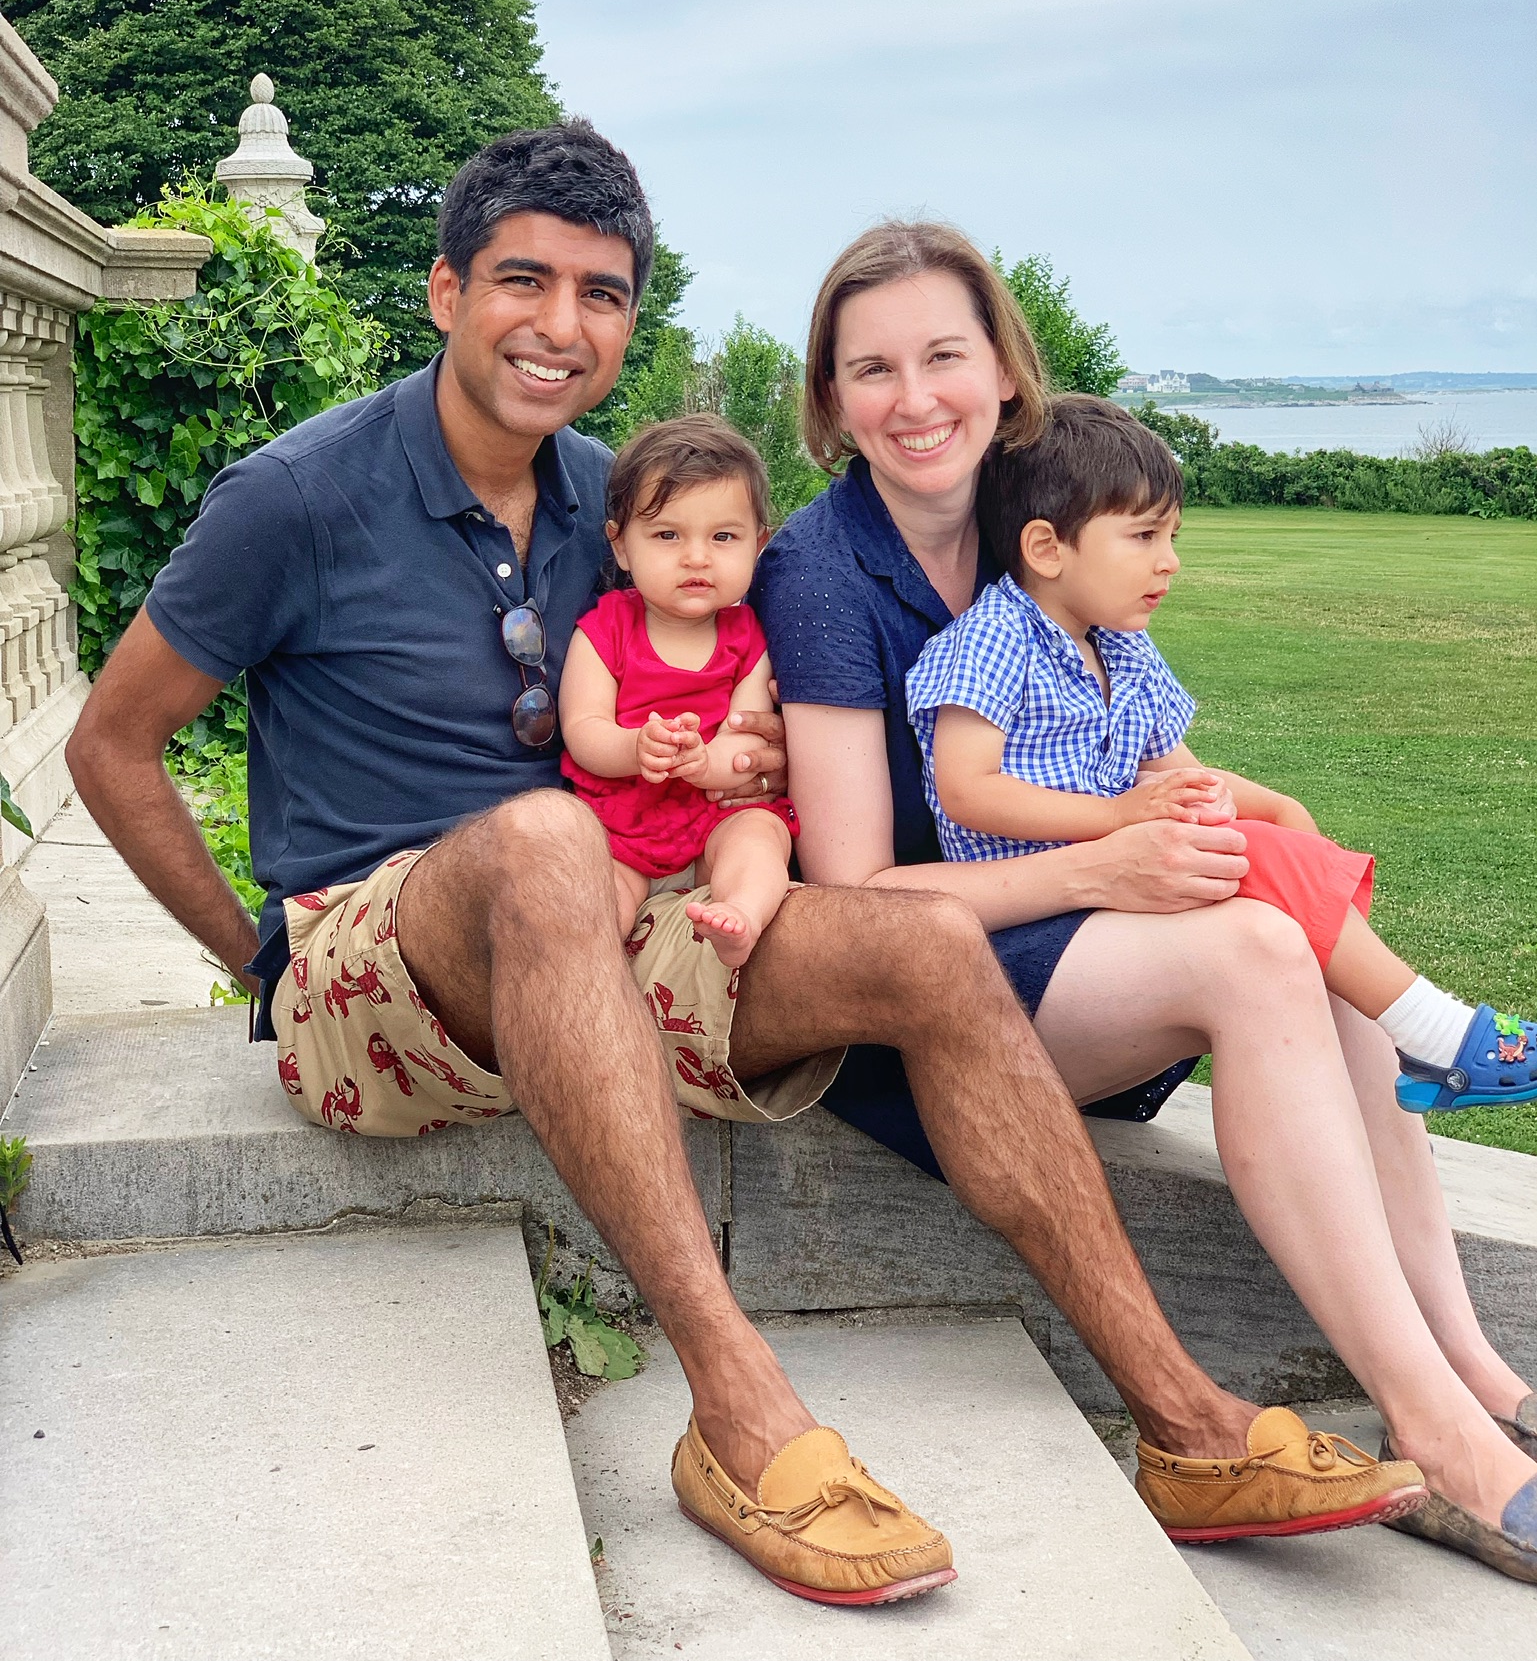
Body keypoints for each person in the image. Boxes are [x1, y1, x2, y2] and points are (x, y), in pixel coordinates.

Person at [67, 127, 1420, 1610]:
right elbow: (113, 747)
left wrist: (749, 759)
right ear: (446, 291)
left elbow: (718, 688)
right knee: (543, 835)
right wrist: (262, 965)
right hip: (384, 965)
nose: (562, 325)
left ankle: (1189, 1422)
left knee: (912, 944)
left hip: (612, 926)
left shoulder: (620, 496)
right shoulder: (298, 496)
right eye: (523, 279)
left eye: (602, 293)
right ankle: (739, 1410)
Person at [753, 217, 1537, 1579]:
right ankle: (1443, 1441)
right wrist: (1103, 863)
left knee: (1300, 914)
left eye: (944, 353)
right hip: (938, 1008)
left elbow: (1125, 749)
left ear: (1003, 366)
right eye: (870, 369)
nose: (913, 396)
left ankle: (1478, 1371)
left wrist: (1238, 804)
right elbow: (853, 893)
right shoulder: (823, 573)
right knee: (1250, 950)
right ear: (830, 401)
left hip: (1082, 955)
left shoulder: (1038, 519)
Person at [909, 393, 1537, 1120]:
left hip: (1120, 889)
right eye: (1142, 536)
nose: (1168, 562)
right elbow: (965, 789)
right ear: (1046, 547)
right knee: (1260, 861)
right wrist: (1116, 814)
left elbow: (1179, 769)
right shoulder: (994, 638)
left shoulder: (1118, 643)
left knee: (1268, 834)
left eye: (1171, 536)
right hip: (1033, 920)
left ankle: (1415, 1033)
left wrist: (1261, 804)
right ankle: (1436, 1031)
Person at [559, 415, 797, 971]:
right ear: (620, 546)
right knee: (598, 886)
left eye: (723, 537)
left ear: (758, 545)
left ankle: (742, 914)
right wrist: (636, 748)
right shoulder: (605, 628)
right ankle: (595, 957)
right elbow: (582, 727)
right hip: (621, 823)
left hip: (713, 814)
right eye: (668, 535)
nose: (696, 557)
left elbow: (743, 739)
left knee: (761, 836)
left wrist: (701, 763)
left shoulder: (749, 638)